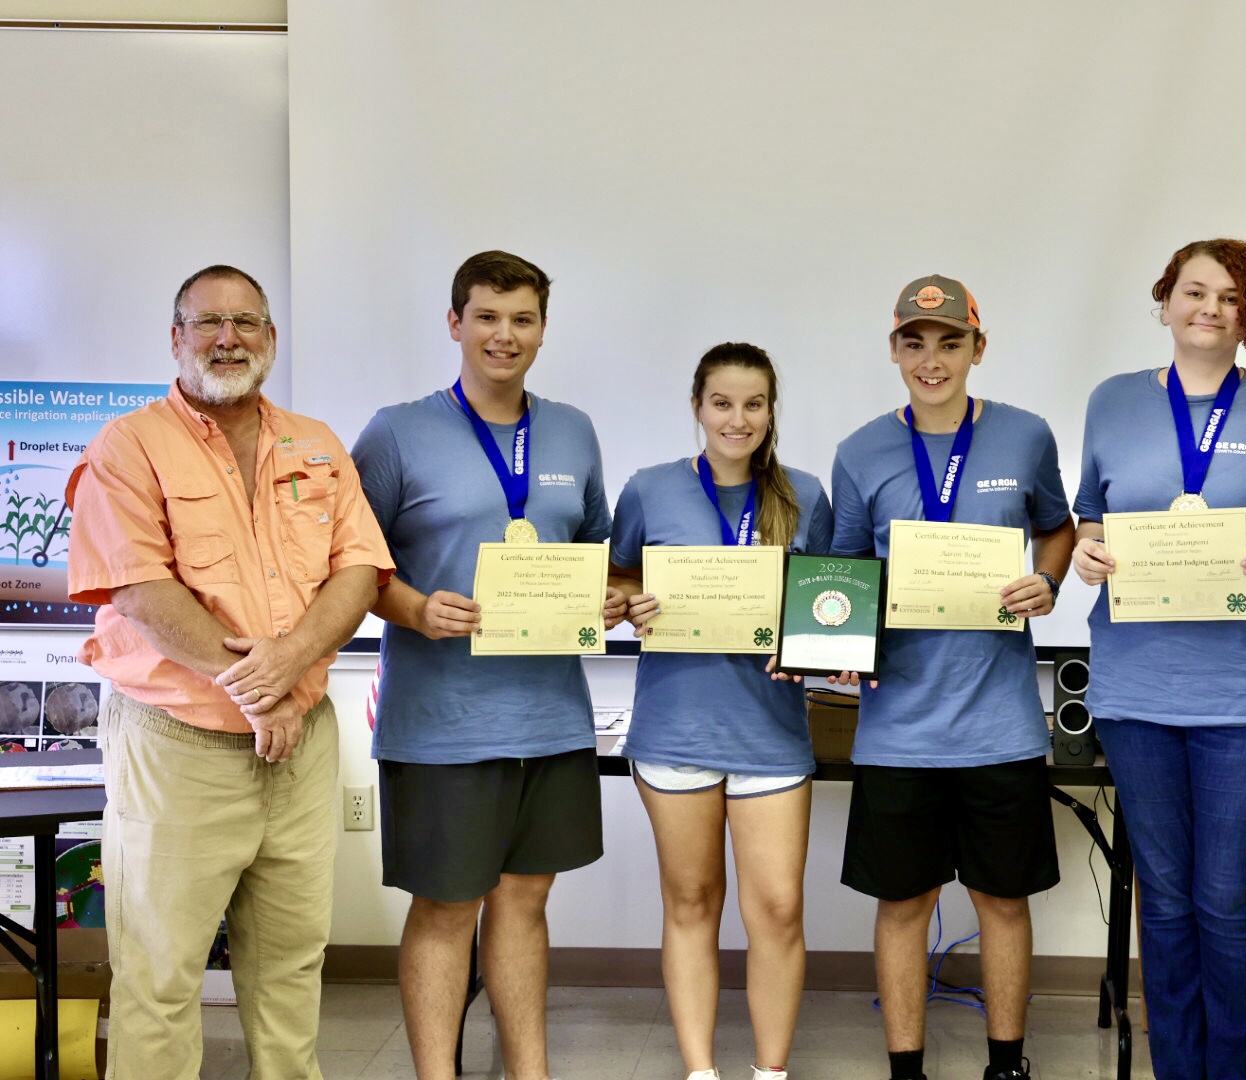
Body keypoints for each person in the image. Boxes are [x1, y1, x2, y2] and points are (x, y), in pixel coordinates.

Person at [66, 264, 394, 1078]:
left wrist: (286, 671)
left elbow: (358, 571)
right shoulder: (129, 446)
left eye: (246, 323)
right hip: (179, 747)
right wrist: (258, 690)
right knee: (162, 976)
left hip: (301, 745)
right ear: (175, 338)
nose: (227, 338)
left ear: (271, 340)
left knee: (289, 972)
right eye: (207, 323)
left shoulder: (316, 443)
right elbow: (142, 591)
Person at [351, 250, 626, 1080]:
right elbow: (352, 568)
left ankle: (528, 1073)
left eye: (522, 319)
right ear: (455, 323)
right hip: (441, 721)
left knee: (526, 903)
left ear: (542, 328)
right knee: (444, 908)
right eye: (487, 317)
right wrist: (414, 609)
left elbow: (594, 553)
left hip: (549, 713)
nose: (504, 335)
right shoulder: (397, 431)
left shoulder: (572, 430)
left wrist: (608, 596)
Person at [1070, 238, 1246, 1078]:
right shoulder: (1112, 402)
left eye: (1229, 297)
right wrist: (1087, 553)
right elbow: (1088, 519)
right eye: (1194, 292)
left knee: (1226, 903)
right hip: (1136, 690)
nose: (1209, 309)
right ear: (1165, 302)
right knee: (1168, 907)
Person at [828, 276, 1076, 1080]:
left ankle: (1007, 1065)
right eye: (914, 342)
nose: (931, 360)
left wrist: (1048, 581)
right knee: (904, 904)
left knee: (1004, 902)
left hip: (999, 720)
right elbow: (846, 574)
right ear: (894, 348)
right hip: (898, 724)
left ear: (978, 347)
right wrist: (836, 635)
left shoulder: (1025, 437)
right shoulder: (860, 451)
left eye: (949, 342)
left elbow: (1059, 531)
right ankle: (907, 1070)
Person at [607, 342, 833, 1080]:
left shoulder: (805, 495)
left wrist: (813, 643)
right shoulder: (650, 489)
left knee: (776, 911)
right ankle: (700, 1071)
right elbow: (614, 586)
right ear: (698, 407)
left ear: (772, 411)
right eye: (723, 403)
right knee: (692, 903)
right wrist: (626, 604)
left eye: (754, 404)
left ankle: (771, 1074)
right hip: (675, 729)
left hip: (769, 733)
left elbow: (828, 607)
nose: (738, 419)